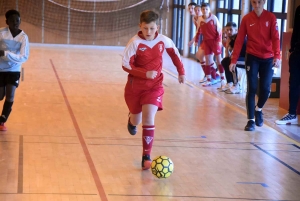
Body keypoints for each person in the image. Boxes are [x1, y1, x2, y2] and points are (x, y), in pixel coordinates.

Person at [122, 10, 185, 170]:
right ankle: (131, 120)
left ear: (157, 26)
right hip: (135, 88)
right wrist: (145, 73)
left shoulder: (164, 40)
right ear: (140, 26)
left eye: (151, 28)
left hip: (155, 87)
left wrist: (181, 71)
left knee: (149, 118)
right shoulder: (134, 42)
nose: (148, 32)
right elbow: (126, 65)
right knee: (137, 119)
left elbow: (175, 55)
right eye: (145, 28)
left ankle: (146, 156)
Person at [229, 0, 280, 131]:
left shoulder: (271, 18)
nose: (256, 5)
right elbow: (239, 40)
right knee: (252, 88)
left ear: (263, 2)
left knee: (265, 89)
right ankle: (250, 120)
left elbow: (275, 38)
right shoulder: (247, 19)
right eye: (254, 3)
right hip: (252, 57)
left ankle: (258, 109)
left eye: (259, 2)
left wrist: (277, 56)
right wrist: (233, 60)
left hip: (268, 58)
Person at [0, 10, 29, 131]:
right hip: (1, 69)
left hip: (14, 70)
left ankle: (2, 121)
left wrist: (5, 53)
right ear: (7, 22)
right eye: (12, 21)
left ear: (20, 21)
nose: (15, 23)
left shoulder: (23, 38)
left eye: (17, 20)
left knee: (10, 95)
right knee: (1, 95)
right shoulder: (1, 33)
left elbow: (24, 57)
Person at [275, 5, 300, 125]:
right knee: (294, 83)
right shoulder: (299, 9)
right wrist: (292, 50)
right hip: (298, 52)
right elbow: (296, 30)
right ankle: (292, 113)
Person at [193, 3, 225, 87]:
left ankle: (222, 78)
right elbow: (198, 31)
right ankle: (208, 79)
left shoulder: (213, 18)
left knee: (219, 60)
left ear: (209, 10)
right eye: (203, 9)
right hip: (206, 42)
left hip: (215, 42)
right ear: (201, 10)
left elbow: (219, 30)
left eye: (206, 9)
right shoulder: (200, 19)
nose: (204, 11)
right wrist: (196, 41)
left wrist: (219, 40)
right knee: (207, 60)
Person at [219, 22, 247, 94]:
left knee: (232, 62)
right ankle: (230, 83)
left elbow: (234, 55)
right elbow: (227, 56)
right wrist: (227, 46)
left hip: (248, 59)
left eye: (231, 30)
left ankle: (237, 85)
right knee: (225, 61)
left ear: (236, 30)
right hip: (239, 58)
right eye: (227, 30)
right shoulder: (231, 39)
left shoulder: (239, 38)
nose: (228, 32)